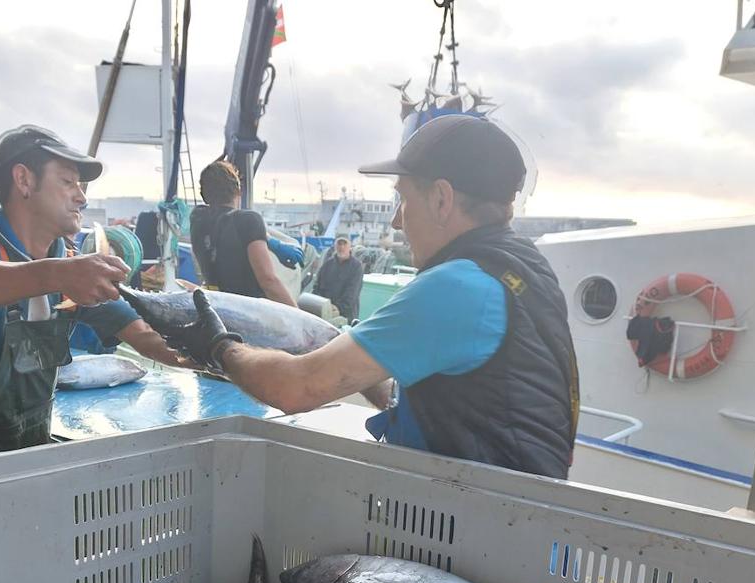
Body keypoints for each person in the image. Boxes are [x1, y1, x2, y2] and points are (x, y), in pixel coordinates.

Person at [164, 115, 580, 479]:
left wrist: (218, 347)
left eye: (402, 198)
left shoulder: (458, 286)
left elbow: (296, 389)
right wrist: (366, 374)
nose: (398, 221)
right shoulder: (522, 268)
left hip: (481, 540)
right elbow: (471, 402)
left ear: (441, 198)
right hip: (515, 530)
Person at [0, 124, 183, 462]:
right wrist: (58, 274)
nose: (82, 197)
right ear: (24, 180)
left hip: (34, 440)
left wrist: (218, 356)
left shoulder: (69, 264)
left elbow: (142, 335)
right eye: (69, 182)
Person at [189, 160, 297, 307]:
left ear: (204, 195)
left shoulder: (197, 219)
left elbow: (224, 223)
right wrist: (302, 319)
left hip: (217, 308)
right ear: (238, 191)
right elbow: (268, 281)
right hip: (249, 314)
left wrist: (270, 242)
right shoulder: (250, 220)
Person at [314, 236, 364, 322]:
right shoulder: (327, 265)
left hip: (346, 316)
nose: (342, 247)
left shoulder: (356, 266)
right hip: (325, 313)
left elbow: (352, 292)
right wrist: (321, 304)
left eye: (345, 244)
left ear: (350, 246)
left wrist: (338, 307)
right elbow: (317, 287)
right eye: (339, 244)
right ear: (335, 246)